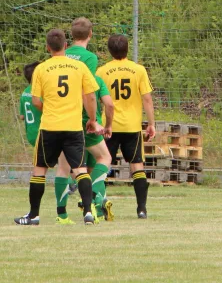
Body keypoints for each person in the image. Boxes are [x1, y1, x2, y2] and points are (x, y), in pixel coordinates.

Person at [14, 29, 102, 225]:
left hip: (50, 126)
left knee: (39, 170)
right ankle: (88, 212)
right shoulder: (78, 67)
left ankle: (34, 216)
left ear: (48, 48)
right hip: (73, 126)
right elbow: (90, 96)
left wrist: (51, 109)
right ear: (65, 45)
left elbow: (36, 100)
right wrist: (92, 119)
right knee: (80, 169)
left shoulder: (42, 69)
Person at [96, 34, 156, 219]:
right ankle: (142, 209)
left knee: (103, 166)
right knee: (137, 167)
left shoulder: (102, 71)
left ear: (110, 51)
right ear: (127, 49)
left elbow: (96, 99)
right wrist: (151, 123)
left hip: (110, 126)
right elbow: (146, 98)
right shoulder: (138, 70)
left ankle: (100, 206)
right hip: (131, 126)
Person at [66, 17, 114, 221]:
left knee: (77, 165)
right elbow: (88, 89)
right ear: (90, 34)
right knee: (105, 158)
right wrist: (94, 119)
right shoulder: (90, 58)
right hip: (83, 115)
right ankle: (93, 199)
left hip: (64, 115)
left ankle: (74, 197)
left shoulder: (63, 54)